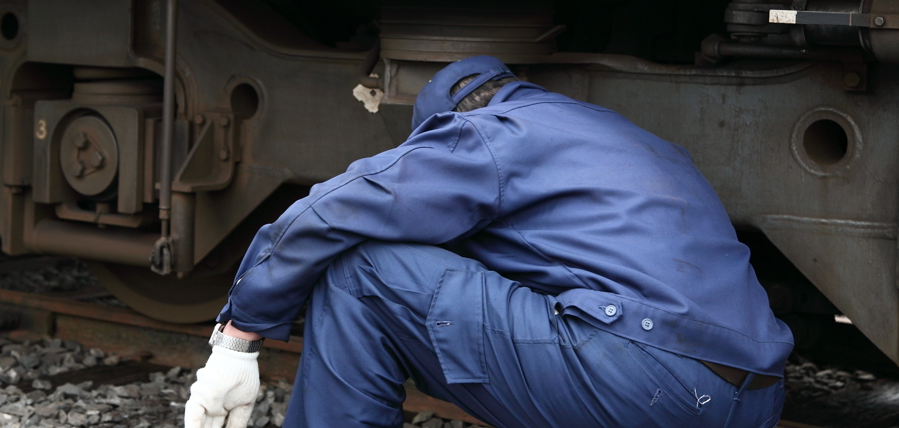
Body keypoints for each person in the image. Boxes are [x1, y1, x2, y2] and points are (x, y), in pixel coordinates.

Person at [185, 55, 793, 428]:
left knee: (361, 271)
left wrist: (239, 340)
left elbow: (334, 208)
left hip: (645, 384)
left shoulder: (489, 133)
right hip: (754, 398)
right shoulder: (625, 136)